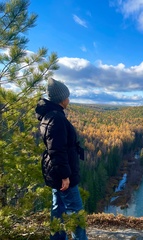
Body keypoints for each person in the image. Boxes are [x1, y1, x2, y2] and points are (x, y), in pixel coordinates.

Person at [35, 77, 88, 240]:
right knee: (76, 212)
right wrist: (65, 176)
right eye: (67, 96)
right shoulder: (56, 119)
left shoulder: (51, 115)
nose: (69, 99)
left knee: (58, 209)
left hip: (55, 170)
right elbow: (57, 150)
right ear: (60, 99)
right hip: (63, 174)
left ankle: (57, 238)